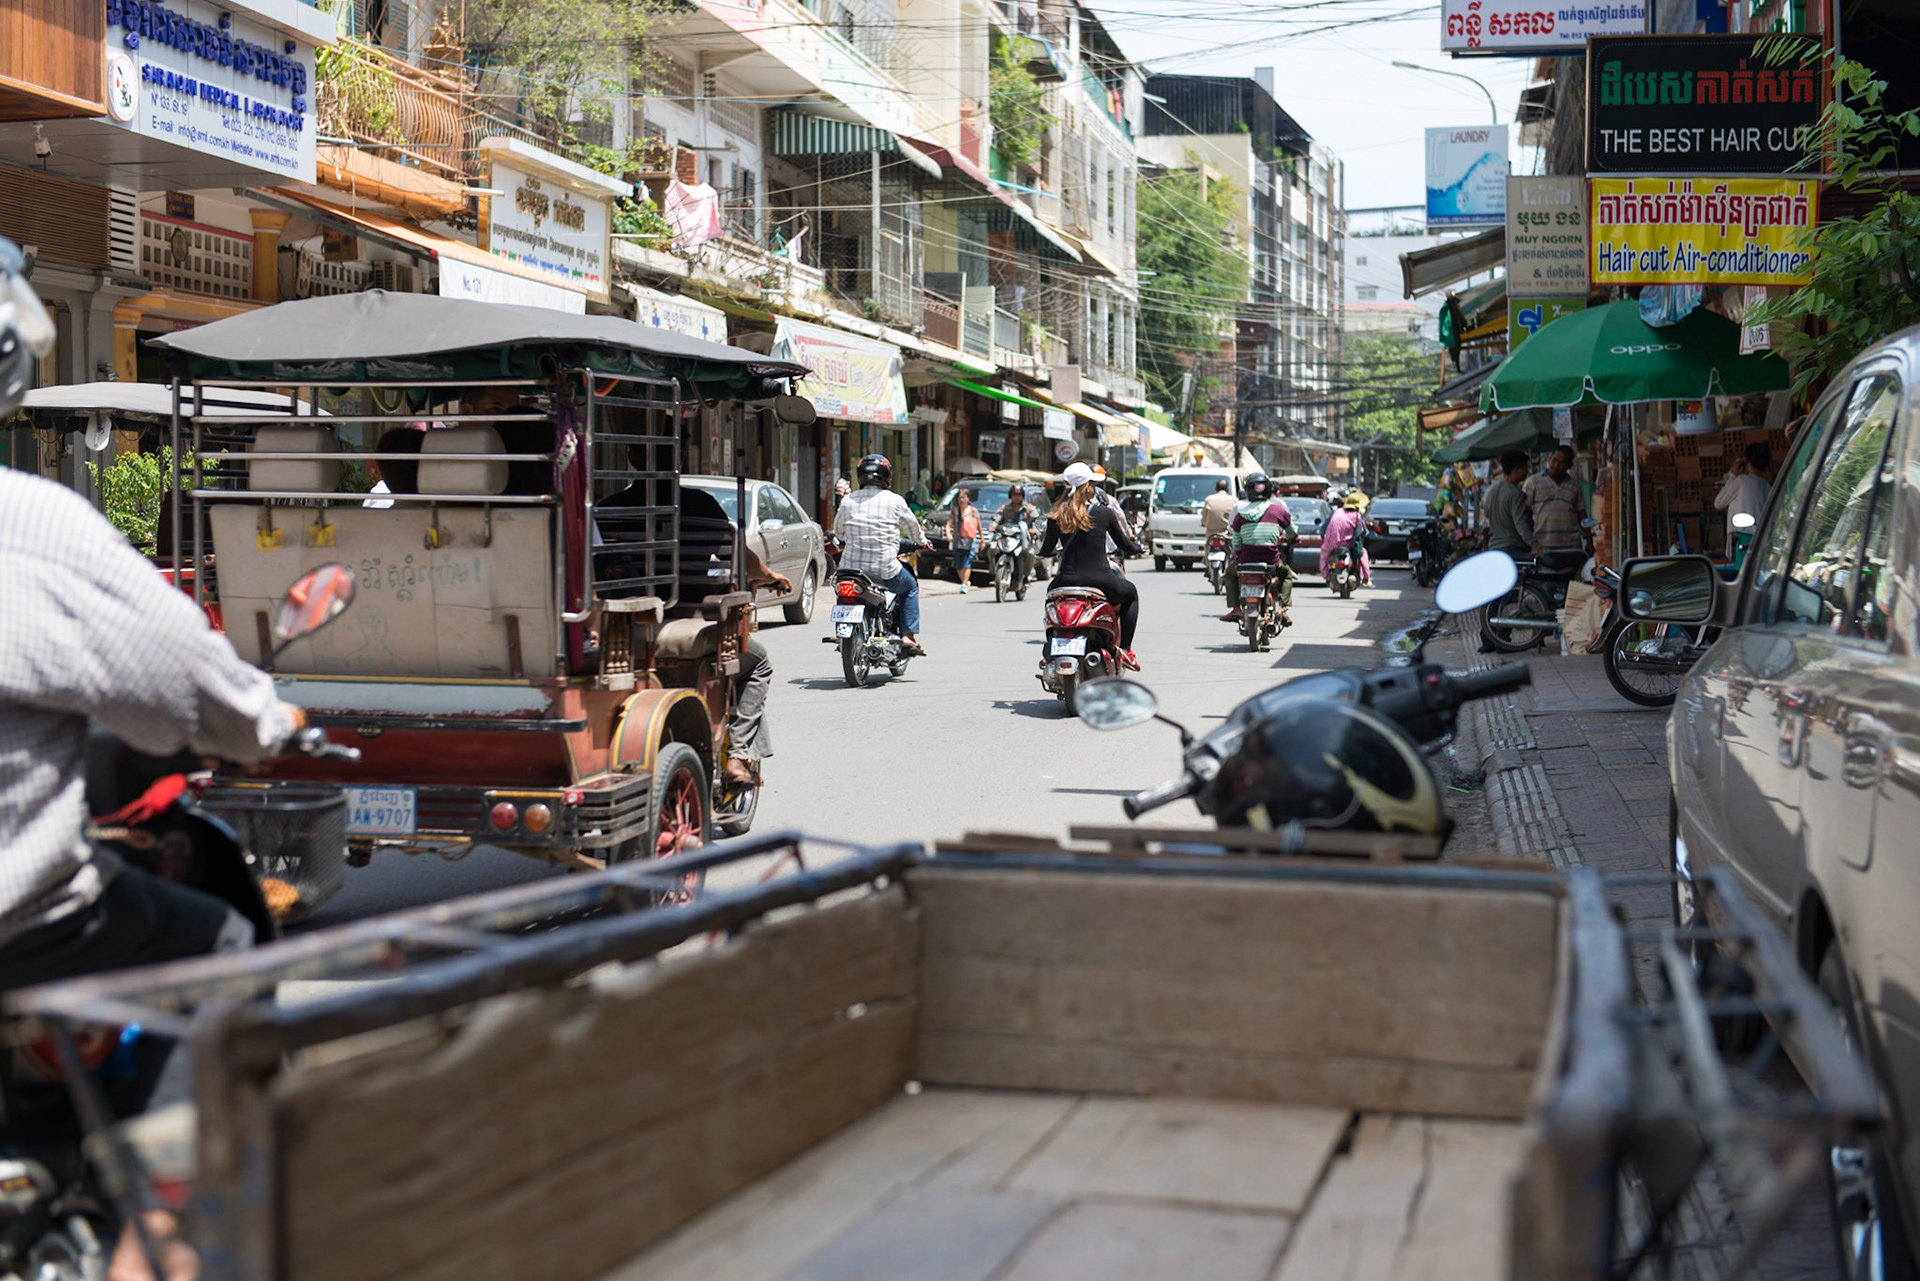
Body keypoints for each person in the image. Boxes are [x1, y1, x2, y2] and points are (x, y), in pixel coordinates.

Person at [0, 467, 309, 1276]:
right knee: (220, 940)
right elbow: (191, 678)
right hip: (28, 922)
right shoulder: (29, 522)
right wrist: (264, 722)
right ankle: (162, 1236)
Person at [1040, 462, 1144, 669]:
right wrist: (1137, 548)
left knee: (1051, 601)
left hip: (1065, 581)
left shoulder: (1056, 515)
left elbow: (1046, 549)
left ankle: (1050, 649)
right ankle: (1126, 650)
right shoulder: (1104, 513)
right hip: (1100, 580)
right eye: (1092, 485)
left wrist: (1050, 552)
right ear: (1087, 486)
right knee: (1131, 594)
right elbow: (1124, 544)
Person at [834, 454, 928, 655]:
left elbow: (839, 532)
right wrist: (922, 542)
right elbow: (912, 528)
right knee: (910, 586)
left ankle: (841, 630)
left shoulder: (848, 500)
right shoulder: (894, 500)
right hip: (885, 570)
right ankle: (908, 636)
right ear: (887, 477)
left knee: (844, 591)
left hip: (850, 570)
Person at [1226, 473, 1295, 624]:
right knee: (1287, 575)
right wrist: (1293, 538)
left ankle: (1236, 609)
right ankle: (1282, 608)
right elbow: (1292, 532)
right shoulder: (1277, 511)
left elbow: (1236, 542)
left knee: (1230, 575)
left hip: (1246, 561)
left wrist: (1240, 554)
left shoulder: (1241, 513)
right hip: (1271, 560)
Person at [1523, 445, 1587, 561]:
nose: (1556, 465)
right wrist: (1530, 542)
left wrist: (1589, 540)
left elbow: (1581, 514)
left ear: (1569, 466)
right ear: (1549, 459)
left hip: (1571, 546)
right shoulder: (1533, 482)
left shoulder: (1575, 486)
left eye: (1562, 463)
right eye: (1555, 460)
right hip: (1542, 546)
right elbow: (1523, 513)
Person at [1714, 442, 1771, 552]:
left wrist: (1732, 475)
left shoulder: (1741, 481)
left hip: (1743, 537)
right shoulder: (1767, 487)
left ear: (1746, 461)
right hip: (1761, 539)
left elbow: (1718, 503)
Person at [1483, 450, 1536, 557]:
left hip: (1494, 548)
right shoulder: (1515, 493)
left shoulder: (1492, 491)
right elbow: (1521, 523)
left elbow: (1487, 519)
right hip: (1513, 548)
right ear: (1517, 470)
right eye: (1525, 468)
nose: (1527, 472)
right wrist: (1535, 545)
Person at [1320, 492, 1371, 587]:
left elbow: (1323, 529)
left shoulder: (1336, 512)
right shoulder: (1356, 516)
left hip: (1330, 544)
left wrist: (1324, 537)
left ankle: (1325, 576)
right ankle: (1366, 577)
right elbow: (1363, 532)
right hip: (1348, 545)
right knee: (1363, 553)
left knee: (1323, 555)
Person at [947, 486, 981, 592]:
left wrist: (982, 540)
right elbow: (948, 524)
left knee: (967, 563)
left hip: (970, 541)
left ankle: (963, 585)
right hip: (957, 541)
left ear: (968, 499)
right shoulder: (955, 511)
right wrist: (948, 534)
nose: (961, 500)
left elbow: (979, 526)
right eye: (960, 498)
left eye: (964, 497)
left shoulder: (973, 511)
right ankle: (965, 581)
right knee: (958, 564)